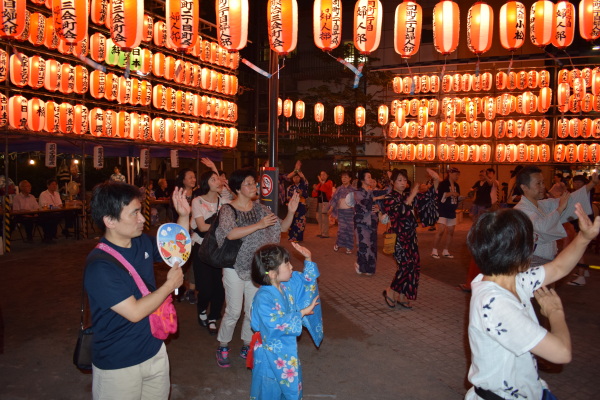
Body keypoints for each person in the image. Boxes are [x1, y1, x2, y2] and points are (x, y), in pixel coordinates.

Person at [464, 205, 600, 400]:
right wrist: (555, 313)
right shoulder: (495, 304)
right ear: (523, 252)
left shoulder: (510, 279)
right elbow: (561, 353)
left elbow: (558, 268)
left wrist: (584, 238)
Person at [84, 182, 189, 399]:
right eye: (134, 213)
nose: (143, 219)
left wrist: (184, 217)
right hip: (119, 364)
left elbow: (177, 250)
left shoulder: (141, 241)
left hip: (154, 350)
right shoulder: (99, 266)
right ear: (110, 220)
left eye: (140, 211)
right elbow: (134, 312)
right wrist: (169, 286)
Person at [215, 168, 299, 368]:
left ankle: (247, 343)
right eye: (249, 183)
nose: (254, 187)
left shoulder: (261, 208)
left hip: (255, 268)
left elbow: (283, 227)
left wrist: (292, 211)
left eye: (254, 183)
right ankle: (223, 344)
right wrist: (259, 225)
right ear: (238, 188)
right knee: (233, 310)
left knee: (252, 311)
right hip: (233, 267)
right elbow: (230, 234)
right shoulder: (228, 209)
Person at [249, 242, 322, 400]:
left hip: (286, 353)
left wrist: (308, 258)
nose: (291, 267)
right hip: (269, 354)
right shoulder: (263, 297)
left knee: (288, 390)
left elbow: (305, 281)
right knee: (270, 390)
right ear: (273, 274)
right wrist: (301, 313)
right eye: (287, 264)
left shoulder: (285, 285)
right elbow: (274, 323)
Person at [382, 168, 439, 309]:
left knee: (413, 266)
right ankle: (391, 290)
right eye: (399, 180)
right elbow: (399, 212)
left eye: (404, 180)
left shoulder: (408, 196)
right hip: (398, 237)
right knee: (405, 265)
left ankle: (402, 295)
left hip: (411, 236)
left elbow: (428, 197)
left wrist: (436, 180)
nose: (402, 183)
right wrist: (412, 195)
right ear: (393, 182)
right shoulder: (389, 198)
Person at [514, 166, 597, 260]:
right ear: (524, 187)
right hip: (532, 260)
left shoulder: (543, 204)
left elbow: (569, 201)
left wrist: (592, 183)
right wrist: (560, 208)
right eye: (538, 183)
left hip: (548, 257)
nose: (543, 186)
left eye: (543, 182)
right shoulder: (519, 210)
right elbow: (543, 229)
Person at [191, 170, 229, 335]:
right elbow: (201, 227)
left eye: (218, 178)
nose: (218, 181)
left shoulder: (225, 201)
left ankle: (213, 317)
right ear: (206, 182)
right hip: (201, 247)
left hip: (219, 248)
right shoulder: (197, 201)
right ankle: (201, 309)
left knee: (220, 288)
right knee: (205, 288)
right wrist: (223, 228)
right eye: (213, 179)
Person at [346, 169, 379, 275]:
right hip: (361, 223)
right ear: (362, 179)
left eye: (371, 177)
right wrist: (377, 199)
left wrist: (378, 207)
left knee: (372, 245)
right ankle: (361, 266)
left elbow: (378, 205)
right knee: (364, 245)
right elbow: (365, 204)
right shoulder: (357, 193)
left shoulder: (371, 192)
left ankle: (369, 268)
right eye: (368, 177)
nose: (371, 179)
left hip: (372, 222)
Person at [173, 168, 198, 304]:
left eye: (194, 177)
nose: (193, 180)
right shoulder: (177, 194)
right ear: (183, 180)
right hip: (179, 232)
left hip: (194, 233)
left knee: (193, 262)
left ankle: (191, 291)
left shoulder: (198, 194)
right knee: (179, 262)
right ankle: (178, 290)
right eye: (190, 177)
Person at [567, 175, 595, 286]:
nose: (577, 185)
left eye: (579, 182)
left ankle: (581, 276)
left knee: (578, 248)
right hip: (583, 222)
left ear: (584, 184)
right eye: (575, 182)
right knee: (581, 248)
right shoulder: (580, 193)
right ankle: (584, 271)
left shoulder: (585, 191)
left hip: (584, 222)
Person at [432, 167, 461, 259]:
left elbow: (457, 197)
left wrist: (459, 197)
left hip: (452, 210)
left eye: (458, 175)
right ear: (450, 174)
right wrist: (450, 193)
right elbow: (439, 196)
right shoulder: (443, 184)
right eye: (456, 174)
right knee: (440, 230)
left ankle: (446, 250)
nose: (457, 176)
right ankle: (434, 250)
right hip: (443, 209)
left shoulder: (457, 185)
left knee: (451, 231)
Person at [328, 171, 355, 254]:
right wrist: (331, 208)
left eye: (346, 177)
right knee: (342, 229)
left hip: (350, 212)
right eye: (342, 177)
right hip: (341, 212)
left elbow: (357, 201)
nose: (343, 179)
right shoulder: (339, 189)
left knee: (350, 229)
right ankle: (338, 244)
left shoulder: (353, 189)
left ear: (350, 178)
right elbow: (334, 199)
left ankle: (348, 247)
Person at [285, 163, 308, 242]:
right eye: (294, 177)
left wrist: (301, 174)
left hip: (301, 206)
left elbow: (305, 183)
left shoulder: (303, 186)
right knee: (292, 221)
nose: (296, 178)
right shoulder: (290, 187)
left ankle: (299, 238)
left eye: (297, 177)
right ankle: (291, 237)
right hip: (292, 206)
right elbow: (288, 197)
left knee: (300, 222)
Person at [312, 170, 333, 238]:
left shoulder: (329, 182)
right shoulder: (320, 184)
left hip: (326, 202)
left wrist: (320, 182)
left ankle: (325, 233)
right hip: (320, 202)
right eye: (321, 175)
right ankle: (322, 232)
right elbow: (315, 193)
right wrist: (314, 189)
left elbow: (325, 188)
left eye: (324, 174)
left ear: (327, 176)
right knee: (319, 217)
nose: (322, 176)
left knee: (324, 218)